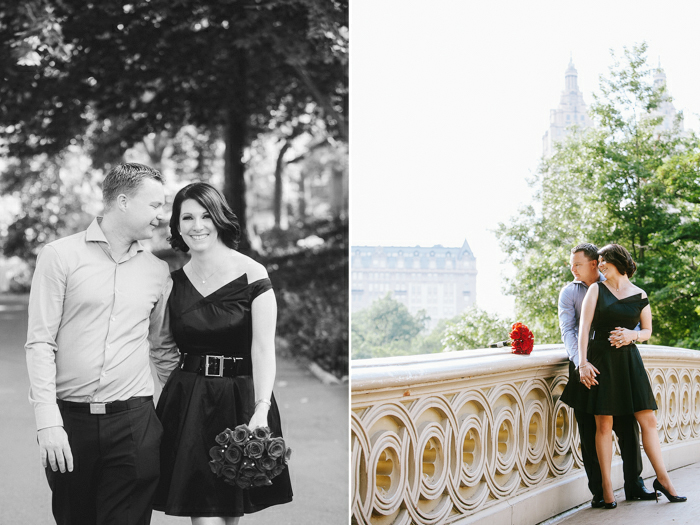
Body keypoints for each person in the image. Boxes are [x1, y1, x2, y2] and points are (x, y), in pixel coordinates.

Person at [25, 163, 180, 525]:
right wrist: (48, 422)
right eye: (155, 205)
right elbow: (40, 343)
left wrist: (187, 413)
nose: (161, 215)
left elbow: (161, 350)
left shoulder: (158, 272)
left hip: (135, 424)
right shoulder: (60, 256)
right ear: (123, 201)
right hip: (70, 424)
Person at [153, 182, 293, 524]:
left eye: (205, 215)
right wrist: (176, 392)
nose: (196, 225)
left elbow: (262, 349)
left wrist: (261, 409)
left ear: (219, 219)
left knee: (230, 515)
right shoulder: (172, 282)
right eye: (187, 217)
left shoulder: (253, 274)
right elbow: (163, 345)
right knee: (204, 515)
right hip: (189, 403)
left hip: (241, 401)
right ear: (177, 226)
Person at [562, 243, 686, 508]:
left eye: (603, 260)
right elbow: (582, 330)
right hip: (600, 361)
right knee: (603, 425)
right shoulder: (596, 289)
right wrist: (582, 362)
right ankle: (607, 490)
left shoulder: (640, 294)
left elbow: (648, 330)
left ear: (616, 261)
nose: (600, 264)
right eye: (597, 261)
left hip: (629, 363)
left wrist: (634, 335)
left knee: (648, 420)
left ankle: (663, 480)